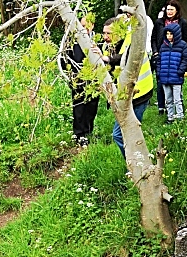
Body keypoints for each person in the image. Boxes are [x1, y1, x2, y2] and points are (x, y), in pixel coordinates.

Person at [97, 16, 153, 158]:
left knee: (121, 135)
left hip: (140, 93)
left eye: (109, 33)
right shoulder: (107, 46)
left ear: (119, 32)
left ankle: (136, 162)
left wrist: (107, 59)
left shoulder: (132, 41)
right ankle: (135, 162)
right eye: (104, 33)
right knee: (127, 134)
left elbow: (123, 58)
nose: (105, 37)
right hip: (124, 95)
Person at [61, 17, 100, 146]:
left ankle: (88, 132)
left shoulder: (96, 41)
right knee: (78, 107)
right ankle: (78, 134)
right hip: (78, 80)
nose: (84, 29)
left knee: (91, 107)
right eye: (81, 26)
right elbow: (65, 60)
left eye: (86, 26)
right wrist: (71, 76)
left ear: (92, 26)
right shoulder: (73, 42)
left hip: (94, 79)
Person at [152, 1, 187, 115]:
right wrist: (156, 52)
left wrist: (181, 66)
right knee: (161, 83)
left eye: (172, 9)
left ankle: (178, 112)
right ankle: (163, 108)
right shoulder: (159, 22)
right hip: (162, 53)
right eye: (167, 9)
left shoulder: (182, 22)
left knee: (176, 88)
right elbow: (153, 38)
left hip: (176, 55)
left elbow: (185, 40)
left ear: (177, 10)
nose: (169, 12)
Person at [156, 23, 187, 124]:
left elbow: (186, 59)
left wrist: (180, 71)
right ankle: (170, 117)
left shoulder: (182, 45)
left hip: (176, 77)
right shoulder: (163, 46)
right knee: (168, 99)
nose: (169, 36)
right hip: (164, 78)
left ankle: (179, 117)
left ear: (176, 34)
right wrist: (159, 72)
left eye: (171, 34)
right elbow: (159, 61)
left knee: (177, 99)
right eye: (167, 34)